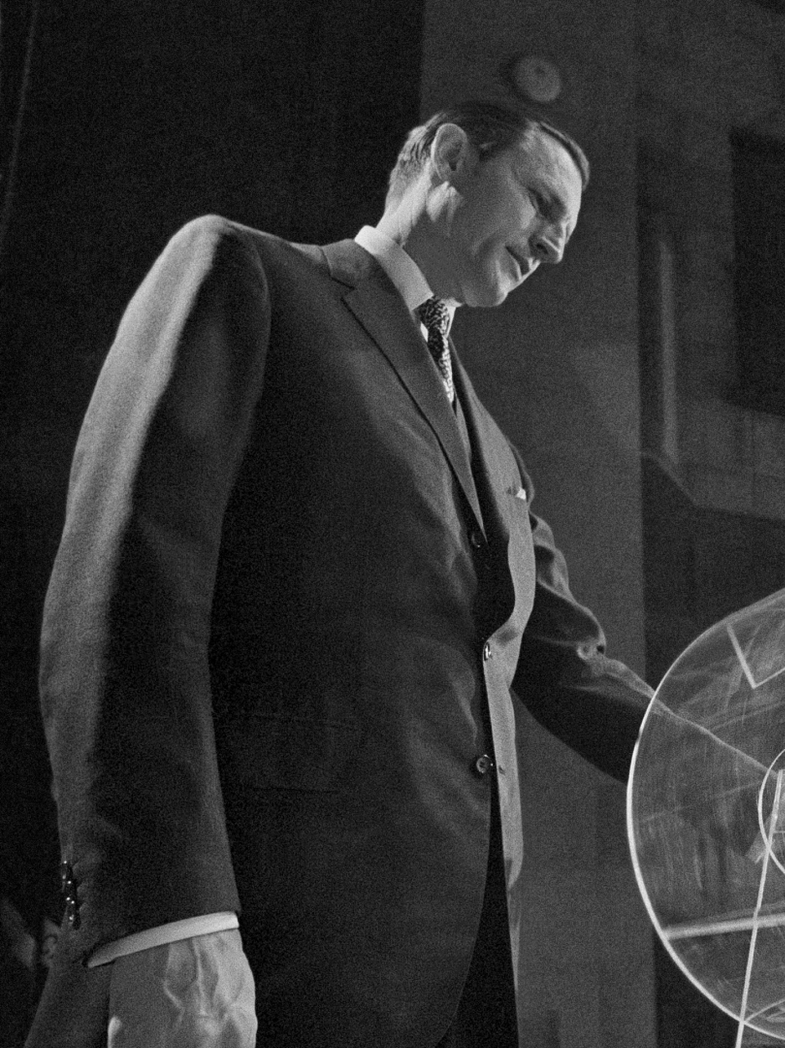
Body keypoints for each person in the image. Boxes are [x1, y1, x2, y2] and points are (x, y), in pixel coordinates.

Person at [30, 101, 654, 1047]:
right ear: (449, 157)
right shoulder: (250, 275)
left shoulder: (498, 449)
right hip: (257, 950)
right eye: (539, 203)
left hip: (450, 973)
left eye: (564, 231)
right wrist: (168, 913)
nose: (554, 249)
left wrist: (739, 763)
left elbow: (565, 662)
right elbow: (125, 586)